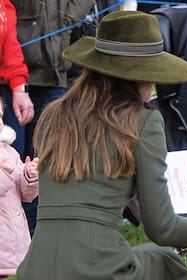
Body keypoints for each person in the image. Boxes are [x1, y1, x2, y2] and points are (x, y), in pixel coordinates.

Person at [16, 11, 187, 280]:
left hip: (36, 269)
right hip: (95, 269)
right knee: (166, 262)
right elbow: (162, 228)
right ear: (140, 76)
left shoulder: (53, 114)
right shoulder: (144, 120)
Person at [11, 0, 94, 236]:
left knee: (50, 153)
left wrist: (66, 20)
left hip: (55, 69)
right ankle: (18, 230)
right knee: (13, 158)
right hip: (12, 70)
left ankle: (43, 225)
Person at [0, 97, 38, 280]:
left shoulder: (9, 151)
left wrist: (29, 175)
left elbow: (24, 195)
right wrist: (4, 174)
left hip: (11, 236)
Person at [0, 0, 34, 156]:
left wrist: (20, 90)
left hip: (5, 91)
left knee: (13, 156)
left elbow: (11, 49)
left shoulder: (5, 7)